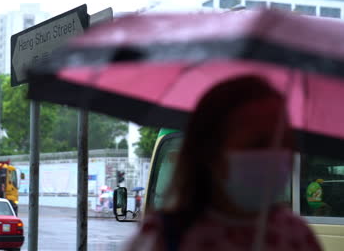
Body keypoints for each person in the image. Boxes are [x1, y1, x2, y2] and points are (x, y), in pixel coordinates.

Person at [124, 76, 322, 251]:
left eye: (285, 143)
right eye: (258, 143)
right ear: (209, 152)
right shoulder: (161, 238)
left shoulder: (297, 236)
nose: (277, 156)